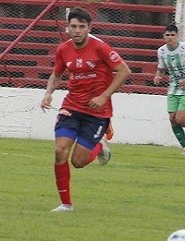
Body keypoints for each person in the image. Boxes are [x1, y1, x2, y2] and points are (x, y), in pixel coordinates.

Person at [39, 7, 131, 212]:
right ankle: (66, 204)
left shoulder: (100, 48)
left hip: (97, 112)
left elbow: (124, 71)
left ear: (89, 27)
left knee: (78, 162)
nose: (77, 30)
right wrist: (48, 93)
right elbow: (56, 74)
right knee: (60, 151)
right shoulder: (63, 49)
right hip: (71, 107)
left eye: (82, 27)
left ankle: (100, 145)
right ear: (68, 28)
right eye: (73, 26)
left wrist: (104, 96)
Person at [154, 24, 185, 156]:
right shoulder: (161, 51)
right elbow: (161, 67)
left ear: (177, 36)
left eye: (172, 35)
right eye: (167, 35)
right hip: (173, 87)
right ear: (164, 36)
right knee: (172, 118)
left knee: (180, 119)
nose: (170, 37)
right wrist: (158, 75)